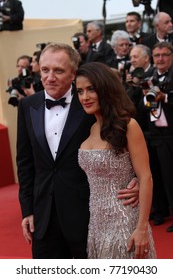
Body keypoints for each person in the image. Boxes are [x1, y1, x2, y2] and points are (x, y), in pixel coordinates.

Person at [17, 42, 139, 259]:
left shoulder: (90, 102)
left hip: (88, 215)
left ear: (73, 73)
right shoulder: (28, 105)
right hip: (44, 216)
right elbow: (25, 162)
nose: (50, 77)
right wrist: (27, 209)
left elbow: (129, 139)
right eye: (45, 70)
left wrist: (137, 178)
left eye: (59, 70)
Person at [76, 62, 156, 259]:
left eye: (90, 89)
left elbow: (145, 177)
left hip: (125, 222)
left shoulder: (129, 125)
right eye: (79, 91)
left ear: (105, 88)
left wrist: (142, 228)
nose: (84, 97)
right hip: (96, 225)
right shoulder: (92, 128)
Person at [141, 41, 173, 231]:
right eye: (157, 55)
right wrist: (146, 97)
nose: (160, 59)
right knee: (156, 175)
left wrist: (165, 97)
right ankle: (160, 211)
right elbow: (140, 108)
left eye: (164, 55)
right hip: (154, 134)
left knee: (170, 176)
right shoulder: (149, 77)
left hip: (170, 133)